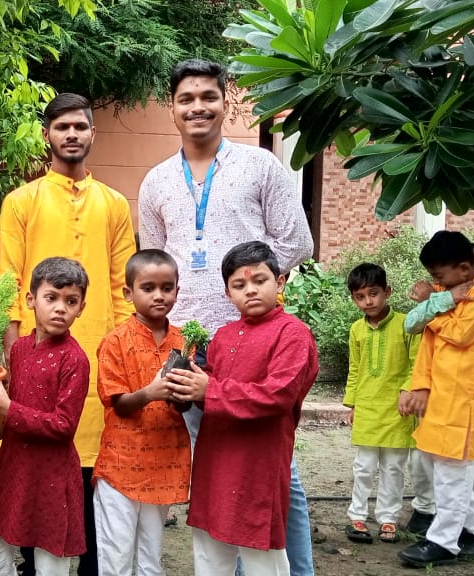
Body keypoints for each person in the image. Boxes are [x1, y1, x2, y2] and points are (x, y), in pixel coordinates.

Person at [136, 58, 317, 576]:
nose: (198, 107)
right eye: (186, 98)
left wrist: (250, 293)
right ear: (173, 109)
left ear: (224, 103)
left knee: (278, 468)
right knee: (210, 461)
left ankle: (293, 570)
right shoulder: (155, 182)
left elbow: (295, 241)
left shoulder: (261, 167)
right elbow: (155, 261)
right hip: (188, 349)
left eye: (208, 97)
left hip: (256, 343)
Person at [0, 92, 136, 576]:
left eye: (80, 127)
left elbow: (122, 288)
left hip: (99, 355)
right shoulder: (22, 201)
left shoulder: (114, 204)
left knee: (92, 473)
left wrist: (124, 357)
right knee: (36, 467)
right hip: (33, 356)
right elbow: (8, 280)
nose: (71, 134)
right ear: (46, 135)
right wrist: (13, 355)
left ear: (92, 134)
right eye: (62, 127)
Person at [162, 241, 318, 576]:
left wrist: (210, 390)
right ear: (228, 293)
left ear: (280, 281)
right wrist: (182, 391)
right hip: (215, 460)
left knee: (261, 554)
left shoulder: (294, 334)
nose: (250, 290)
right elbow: (208, 387)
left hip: (258, 463)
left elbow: (278, 395)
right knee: (209, 550)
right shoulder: (222, 336)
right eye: (239, 285)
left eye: (259, 280)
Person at [0, 257, 92, 576]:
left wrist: (6, 408)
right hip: (14, 466)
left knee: (51, 559)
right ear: (31, 300)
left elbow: (63, 426)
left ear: (82, 307)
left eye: (71, 301)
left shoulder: (75, 360)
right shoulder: (19, 349)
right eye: (52, 298)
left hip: (52, 474)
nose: (60, 308)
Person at [396, 231, 474, 568]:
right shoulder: (447, 292)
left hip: (461, 399)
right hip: (438, 397)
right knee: (441, 471)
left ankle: (443, 542)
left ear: (464, 269)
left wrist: (433, 316)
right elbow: (414, 323)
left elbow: (461, 335)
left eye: (439, 275)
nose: (436, 281)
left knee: (452, 475)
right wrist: (442, 302)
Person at [92, 249, 191, 576]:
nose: (159, 296)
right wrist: (149, 393)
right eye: (148, 288)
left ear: (177, 289)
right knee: (116, 556)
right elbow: (116, 401)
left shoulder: (184, 340)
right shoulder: (115, 342)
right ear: (128, 293)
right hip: (121, 464)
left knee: (151, 556)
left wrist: (182, 396)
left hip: (162, 463)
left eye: (167, 287)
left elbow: (184, 403)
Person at [341, 263, 418, 545]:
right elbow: (355, 368)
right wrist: (353, 404)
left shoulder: (408, 324)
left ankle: (388, 518)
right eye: (360, 297)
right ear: (353, 299)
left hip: (398, 408)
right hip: (368, 406)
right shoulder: (356, 330)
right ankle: (357, 515)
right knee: (363, 466)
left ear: (387, 291)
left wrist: (407, 391)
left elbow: (416, 364)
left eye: (374, 294)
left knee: (394, 467)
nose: (368, 301)